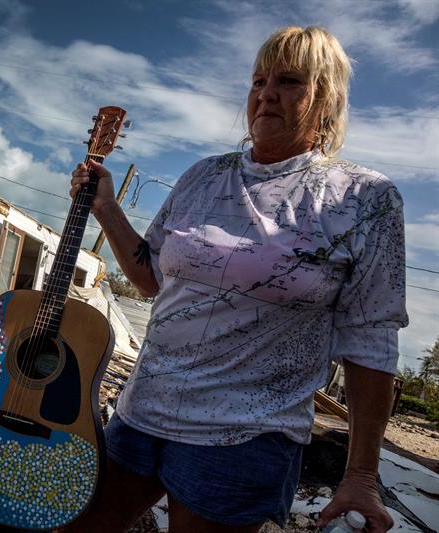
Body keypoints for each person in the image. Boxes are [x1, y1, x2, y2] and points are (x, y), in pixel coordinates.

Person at [68, 26, 407, 533]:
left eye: (289, 81)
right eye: (257, 80)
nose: (266, 93)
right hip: (140, 415)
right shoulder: (203, 176)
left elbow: (371, 342)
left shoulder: (363, 199)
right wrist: (107, 209)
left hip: (242, 441)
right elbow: (151, 279)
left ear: (327, 100)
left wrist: (361, 473)